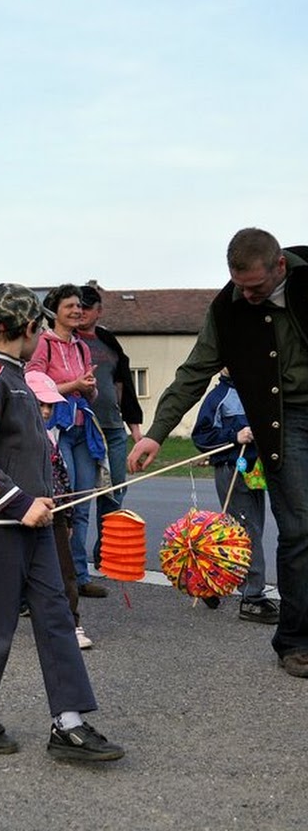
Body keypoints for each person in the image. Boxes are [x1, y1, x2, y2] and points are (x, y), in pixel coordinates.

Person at [0, 283, 123, 761]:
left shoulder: (18, 378)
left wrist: (48, 498)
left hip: (37, 523)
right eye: (39, 326)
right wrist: (16, 502)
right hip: (2, 525)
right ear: (27, 329)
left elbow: (28, 452)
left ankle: (68, 723)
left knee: (56, 619)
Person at [128, 228, 308, 679]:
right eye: (238, 284)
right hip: (284, 425)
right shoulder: (227, 309)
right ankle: (295, 641)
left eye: (255, 287)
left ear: (279, 266)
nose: (245, 295)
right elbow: (192, 373)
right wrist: (156, 432)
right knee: (300, 528)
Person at [26, 285, 108, 598]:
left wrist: (88, 389)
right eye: (70, 306)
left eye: (80, 306)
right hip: (56, 429)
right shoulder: (42, 344)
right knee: (64, 504)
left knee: (83, 502)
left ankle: (80, 574)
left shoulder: (82, 347)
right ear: (54, 310)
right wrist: (75, 384)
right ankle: (60, 576)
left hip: (82, 427)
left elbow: (90, 391)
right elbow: (35, 385)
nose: (77, 311)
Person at [191, 371, 278, 624]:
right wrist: (234, 435)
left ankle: (211, 583)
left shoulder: (259, 392)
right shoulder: (219, 396)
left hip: (256, 472)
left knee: (248, 531)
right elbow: (201, 437)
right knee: (246, 532)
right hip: (232, 469)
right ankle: (252, 597)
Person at [76, 285, 144, 569]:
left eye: (88, 307)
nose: (81, 312)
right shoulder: (65, 340)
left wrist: (136, 431)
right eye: (78, 306)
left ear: (99, 311)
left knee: (115, 492)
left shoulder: (108, 341)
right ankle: (75, 565)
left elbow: (124, 385)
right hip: (80, 428)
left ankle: (104, 552)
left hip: (113, 429)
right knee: (79, 498)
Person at [25, 371, 93, 649]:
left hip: (52, 516)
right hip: (19, 516)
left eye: (49, 406)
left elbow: (63, 480)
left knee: (65, 572)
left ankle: (71, 624)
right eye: (39, 404)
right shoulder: (12, 438)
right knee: (9, 574)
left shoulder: (52, 437)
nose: (45, 411)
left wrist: (67, 516)